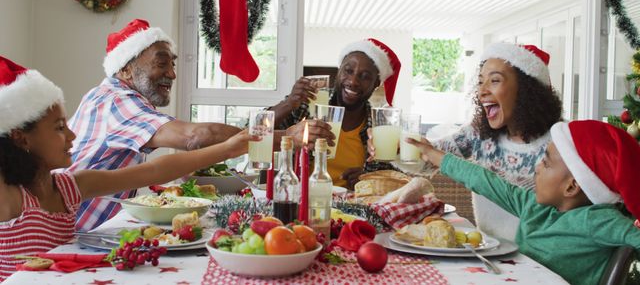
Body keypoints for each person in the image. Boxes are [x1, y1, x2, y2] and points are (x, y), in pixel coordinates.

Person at [0, 56, 253, 281]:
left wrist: (229, 149)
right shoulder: (9, 198)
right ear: (21, 138)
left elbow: (156, 171)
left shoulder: (69, 187)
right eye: (58, 128)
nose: (72, 134)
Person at [407, 120, 640, 285]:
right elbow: (484, 180)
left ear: (571, 187)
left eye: (546, 164)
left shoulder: (598, 220)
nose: (537, 167)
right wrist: (433, 154)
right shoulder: (534, 207)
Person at [370, 43, 562, 241]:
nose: (482, 91)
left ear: (527, 90)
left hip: (538, 255)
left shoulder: (559, 145)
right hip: (490, 247)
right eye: (480, 82)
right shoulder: (479, 134)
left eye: (494, 80)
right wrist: (398, 149)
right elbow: (431, 157)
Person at [66, 19, 241, 231]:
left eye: (172, 64)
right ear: (126, 70)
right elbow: (194, 137)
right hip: (64, 236)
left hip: (77, 230)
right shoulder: (117, 101)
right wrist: (275, 139)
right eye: (161, 64)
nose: (172, 73)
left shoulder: (104, 94)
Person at [270, 39, 402, 188]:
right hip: (299, 201)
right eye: (348, 70)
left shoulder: (380, 127)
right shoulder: (309, 103)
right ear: (339, 70)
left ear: (376, 84)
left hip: (351, 207)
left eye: (365, 76)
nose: (353, 81)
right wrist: (288, 104)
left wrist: (368, 178)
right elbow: (255, 132)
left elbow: (391, 178)